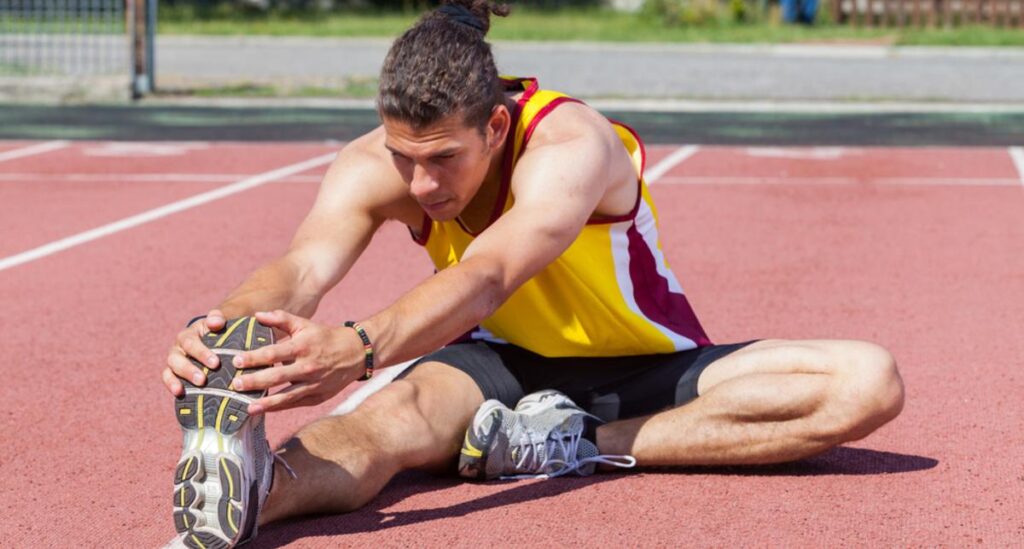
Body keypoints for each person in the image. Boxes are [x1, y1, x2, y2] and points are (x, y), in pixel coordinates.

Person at [162, 1, 905, 547]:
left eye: (442, 159)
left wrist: (359, 347)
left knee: (866, 381)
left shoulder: (572, 143)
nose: (420, 185)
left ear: (493, 127)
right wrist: (225, 331)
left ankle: (572, 440)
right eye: (402, 157)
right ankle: (257, 491)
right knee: (378, 424)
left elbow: (490, 271)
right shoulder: (377, 162)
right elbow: (300, 266)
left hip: (649, 364)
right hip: (497, 364)